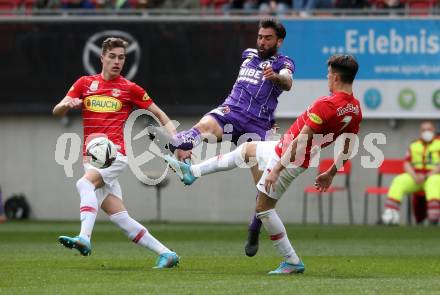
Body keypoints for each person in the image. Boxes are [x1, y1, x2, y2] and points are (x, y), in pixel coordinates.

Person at [166, 54, 362, 274]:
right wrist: (331, 173)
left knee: (263, 209)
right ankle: (193, 171)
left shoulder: (326, 104)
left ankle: (292, 261)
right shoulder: (355, 109)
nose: (327, 78)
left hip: (290, 158)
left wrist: (276, 169)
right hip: (286, 149)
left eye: (328, 74)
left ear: (335, 77)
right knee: (246, 151)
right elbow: (349, 146)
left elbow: (302, 140)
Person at [168, 18, 295, 258]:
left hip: (258, 125)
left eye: (268, 38)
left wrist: (276, 78)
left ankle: (254, 228)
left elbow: (287, 81)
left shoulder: (283, 63)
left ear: (278, 41)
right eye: (260, 37)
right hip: (231, 112)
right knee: (204, 126)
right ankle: (183, 146)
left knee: (263, 190)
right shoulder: (248, 54)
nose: (262, 41)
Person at [53, 37, 180, 269]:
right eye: (112, 56)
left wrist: (178, 141)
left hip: (114, 155)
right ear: (102, 58)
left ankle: (84, 238)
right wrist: (66, 105)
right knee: (121, 219)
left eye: (121, 57)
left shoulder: (130, 89)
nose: (117, 61)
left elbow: (160, 114)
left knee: (84, 185)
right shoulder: (84, 84)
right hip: (91, 159)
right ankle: (167, 254)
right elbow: (57, 110)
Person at [382, 121, 440, 226]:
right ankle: (390, 214)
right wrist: (415, 176)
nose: (427, 132)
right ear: (420, 132)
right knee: (399, 180)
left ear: (434, 131)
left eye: (429, 129)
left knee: (434, 182)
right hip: (416, 177)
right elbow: (406, 163)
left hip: (432, 176)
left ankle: (433, 218)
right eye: (424, 130)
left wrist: (426, 176)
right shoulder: (414, 145)